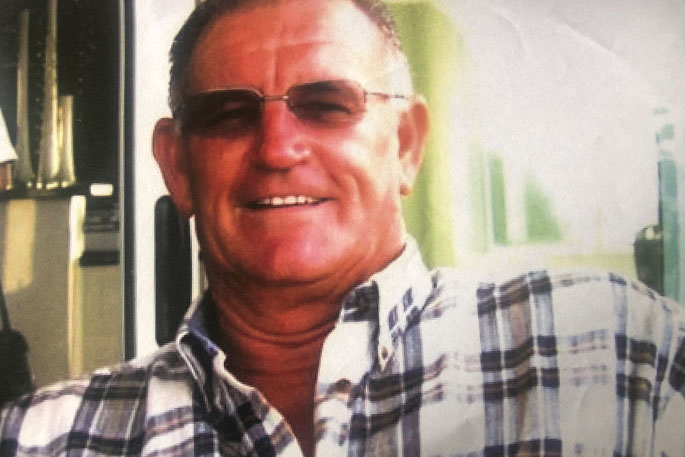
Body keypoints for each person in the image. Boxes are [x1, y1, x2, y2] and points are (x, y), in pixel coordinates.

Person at [1, 0, 684, 456]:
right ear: (177, 166)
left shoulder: (621, 355)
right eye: (229, 114)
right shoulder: (42, 439)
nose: (277, 148)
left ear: (406, 144)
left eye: (327, 104)